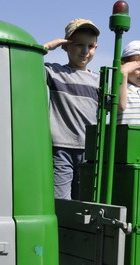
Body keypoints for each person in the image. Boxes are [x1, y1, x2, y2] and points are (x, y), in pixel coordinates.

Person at [43, 18, 100, 200]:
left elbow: (119, 106)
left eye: (90, 46)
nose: (85, 51)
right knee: (61, 201)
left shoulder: (100, 80)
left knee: (84, 202)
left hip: (89, 151)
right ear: (65, 46)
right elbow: (26, 63)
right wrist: (47, 46)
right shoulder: (54, 72)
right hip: (61, 148)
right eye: (78, 45)